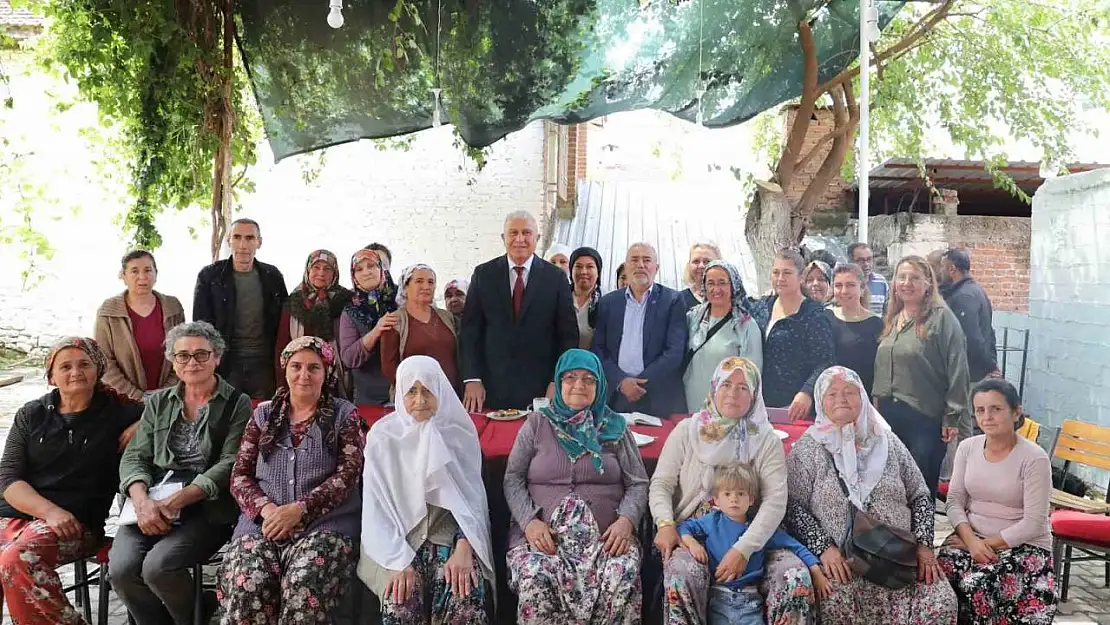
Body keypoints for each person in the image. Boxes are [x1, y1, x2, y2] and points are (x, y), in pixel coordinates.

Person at [785, 366, 958, 625]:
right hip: (844, 562)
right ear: (820, 402)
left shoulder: (886, 440)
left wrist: (923, 546)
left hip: (897, 556)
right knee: (833, 601)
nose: (841, 399)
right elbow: (792, 506)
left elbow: (921, 494)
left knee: (941, 602)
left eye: (849, 392)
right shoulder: (809, 448)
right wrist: (824, 549)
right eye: (831, 394)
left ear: (863, 397)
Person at [651, 357, 817, 625]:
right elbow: (661, 484)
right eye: (726, 384)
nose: (732, 393)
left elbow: (775, 501)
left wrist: (744, 549)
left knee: (795, 576)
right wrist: (665, 522)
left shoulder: (765, 440)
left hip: (753, 534)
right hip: (694, 536)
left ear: (754, 395)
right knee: (681, 577)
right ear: (714, 387)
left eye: (743, 387)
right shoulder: (687, 431)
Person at [111, 321, 253, 625]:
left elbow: (231, 462)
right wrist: (141, 501)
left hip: (206, 508)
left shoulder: (237, 404)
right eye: (183, 356)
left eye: (202, 355)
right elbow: (136, 455)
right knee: (121, 571)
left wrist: (177, 501)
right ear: (172, 361)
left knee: (158, 568)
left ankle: (193, 616)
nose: (192, 363)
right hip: (150, 502)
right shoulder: (158, 402)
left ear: (217, 357)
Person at [218, 336, 364, 624]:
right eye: (296, 366)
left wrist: (299, 509)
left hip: (324, 525)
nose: (303, 375)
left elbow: (349, 474)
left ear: (327, 372)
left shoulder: (344, 415)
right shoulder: (263, 415)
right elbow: (240, 475)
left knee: (305, 582)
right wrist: (268, 511)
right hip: (263, 524)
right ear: (285, 369)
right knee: (249, 582)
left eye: (314, 367)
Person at [0, 338, 142, 624]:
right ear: (51, 376)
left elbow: (174, 407)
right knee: (12, 556)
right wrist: (50, 512)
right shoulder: (31, 414)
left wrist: (142, 423)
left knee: (18, 558)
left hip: (77, 524)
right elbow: (7, 479)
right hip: (21, 516)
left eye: (84, 364)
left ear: (98, 369)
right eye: (65, 366)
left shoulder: (118, 411)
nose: (75, 372)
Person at [504, 349, 648, 624]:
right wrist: (529, 522)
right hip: (545, 539)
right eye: (570, 378)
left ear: (600, 385)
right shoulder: (536, 423)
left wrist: (626, 521)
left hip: (606, 540)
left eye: (588, 379)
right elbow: (513, 478)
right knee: (535, 574)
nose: (579, 385)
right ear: (558, 383)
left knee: (621, 572)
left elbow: (638, 482)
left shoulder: (615, 427)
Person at [358, 356, 495, 625]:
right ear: (399, 392)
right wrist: (398, 561)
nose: (419, 399)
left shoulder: (459, 434)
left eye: (427, 390)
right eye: (411, 390)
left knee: (464, 599)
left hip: (451, 540)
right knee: (400, 602)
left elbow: (473, 503)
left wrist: (464, 546)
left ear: (441, 390)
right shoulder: (382, 438)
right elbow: (377, 509)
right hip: (396, 541)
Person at [937, 378, 1056, 625]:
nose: (987, 416)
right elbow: (954, 500)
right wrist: (971, 541)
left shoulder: (1034, 458)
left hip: (1023, 546)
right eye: (980, 410)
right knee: (938, 575)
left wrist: (985, 545)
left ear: (1016, 412)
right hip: (973, 540)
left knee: (976, 586)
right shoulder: (967, 448)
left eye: (996, 409)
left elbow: (1034, 522)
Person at [678, 463, 829, 625]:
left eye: (740, 494)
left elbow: (795, 545)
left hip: (750, 602)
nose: (734, 499)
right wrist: (691, 543)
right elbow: (683, 526)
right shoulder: (711, 522)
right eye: (727, 494)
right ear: (716, 500)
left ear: (751, 500)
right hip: (718, 599)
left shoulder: (760, 530)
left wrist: (815, 571)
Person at [459, 210, 578, 412]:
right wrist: (472, 378)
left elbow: (567, 336)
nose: (520, 239)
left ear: (537, 238)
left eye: (526, 233)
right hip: (491, 388)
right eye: (513, 233)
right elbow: (470, 331)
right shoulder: (484, 275)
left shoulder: (555, 278)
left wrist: (556, 381)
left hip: (541, 390)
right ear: (503, 238)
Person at [874, 255, 971, 495]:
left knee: (918, 490)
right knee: (892, 489)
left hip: (924, 418)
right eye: (902, 277)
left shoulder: (942, 318)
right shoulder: (894, 319)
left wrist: (953, 415)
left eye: (914, 278)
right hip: (889, 417)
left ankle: (921, 534)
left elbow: (958, 368)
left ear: (928, 284)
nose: (906, 283)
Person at [193, 218, 288, 399]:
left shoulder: (272, 276)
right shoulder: (210, 276)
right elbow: (201, 325)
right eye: (237, 237)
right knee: (225, 418)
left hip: (264, 363)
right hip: (226, 363)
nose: (243, 245)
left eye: (250, 238)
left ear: (259, 242)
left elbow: (284, 320)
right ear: (229, 240)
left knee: (265, 418)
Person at [593, 242, 688, 416]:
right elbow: (598, 349)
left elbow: (674, 352)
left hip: (657, 394)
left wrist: (639, 383)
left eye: (647, 260)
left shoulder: (672, 300)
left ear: (656, 268)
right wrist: (621, 381)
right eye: (634, 260)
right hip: (616, 394)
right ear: (626, 266)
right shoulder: (608, 303)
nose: (640, 265)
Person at [749, 248, 835, 418]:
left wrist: (807, 392)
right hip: (758, 404)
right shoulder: (762, 307)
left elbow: (825, 362)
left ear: (801, 277)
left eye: (787, 273)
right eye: (776, 272)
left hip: (794, 407)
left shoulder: (813, 314)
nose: (780, 278)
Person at [95, 250, 186, 401]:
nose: (142, 277)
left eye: (148, 270)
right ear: (123, 276)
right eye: (134, 271)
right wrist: (137, 396)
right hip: (122, 400)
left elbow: (182, 354)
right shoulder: (108, 311)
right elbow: (104, 361)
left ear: (156, 274)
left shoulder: (173, 307)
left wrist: (163, 394)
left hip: (168, 398)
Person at [683, 260, 762, 413]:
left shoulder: (745, 325)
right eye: (711, 283)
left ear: (733, 286)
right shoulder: (692, 318)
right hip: (689, 406)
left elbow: (752, 374)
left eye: (722, 283)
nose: (716, 289)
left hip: (726, 410)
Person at [274, 249, 352, 395]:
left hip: (338, 375)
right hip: (302, 376)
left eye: (327, 269)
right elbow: (282, 346)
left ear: (335, 273)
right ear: (308, 270)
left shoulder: (346, 300)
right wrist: (282, 383)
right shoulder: (293, 301)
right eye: (316, 267)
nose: (321, 273)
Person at [380, 263, 460, 394]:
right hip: (415, 400)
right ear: (405, 287)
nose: (426, 287)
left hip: (450, 394)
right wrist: (414, 393)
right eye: (419, 281)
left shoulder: (447, 317)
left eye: (431, 282)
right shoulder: (394, 321)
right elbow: (389, 367)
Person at [338, 248, 399, 405]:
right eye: (359, 269)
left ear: (381, 269)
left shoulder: (402, 299)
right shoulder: (351, 309)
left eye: (371, 266)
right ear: (354, 276)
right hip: (370, 399)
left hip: (408, 394)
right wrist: (377, 331)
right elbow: (349, 358)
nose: (366, 272)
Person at [938, 248, 1000, 382]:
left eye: (942, 267)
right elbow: (989, 332)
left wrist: (987, 367)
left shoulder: (964, 296)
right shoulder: (976, 290)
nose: (940, 271)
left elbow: (970, 338)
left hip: (969, 375)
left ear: (952, 269)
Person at [826, 263, 883, 395]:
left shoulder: (876, 324)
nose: (844, 291)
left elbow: (879, 369)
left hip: (862, 395)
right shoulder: (826, 318)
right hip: (831, 394)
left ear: (862, 288)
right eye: (838, 286)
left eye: (850, 285)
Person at [570, 246, 603, 349]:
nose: (584, 272)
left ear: (598, 272)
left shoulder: (605, 303)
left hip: (591, 362)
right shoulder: (560, 297)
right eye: (578, 266)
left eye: (590, 267)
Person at [848, 243, 889, 315]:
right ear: (850, 262)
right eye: (861, 260)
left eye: (869, 259)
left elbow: (886, 312)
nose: (866, 264)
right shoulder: (843, 284)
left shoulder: (881, 282)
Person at [680, 242, 723, 310]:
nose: (701, 266)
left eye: (707, 261)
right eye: (696, 261)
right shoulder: (679, 300)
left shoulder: (733, 296)